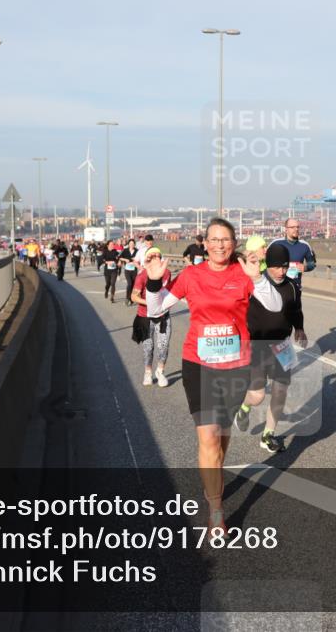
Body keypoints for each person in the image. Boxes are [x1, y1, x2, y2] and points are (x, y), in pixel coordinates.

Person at [143, 218, 281, 531]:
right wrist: (153, 283)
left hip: (236, 365)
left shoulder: (243, 272)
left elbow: (274, 305)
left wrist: (257, 277)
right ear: (204, 244)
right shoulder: (191, 275)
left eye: (226, 239)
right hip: (199, 364)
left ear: (234, 243)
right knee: (208, 436)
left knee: (221, 435)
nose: (220, 245)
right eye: (214, 239)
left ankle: (214, 474)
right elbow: (155, 310)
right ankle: (216, 508)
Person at [235, 243, 307, 453]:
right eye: (276, 267)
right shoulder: (257, 282)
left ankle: (268, 434)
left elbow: (296, 311)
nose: (281, 271)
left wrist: (299, 329)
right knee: (257, 396)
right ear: (267, 265)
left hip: (282, 345)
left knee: (280, 391)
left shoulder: (292, 286)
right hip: (257, 345)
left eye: (284, 266)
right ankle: (244, 407)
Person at [131, 246, 174, 387]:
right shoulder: (142, 276)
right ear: (147, 260)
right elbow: (133, 297)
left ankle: (160, 372)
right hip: (145, 317)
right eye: (152, 256)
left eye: (158, 256)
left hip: (163, 316)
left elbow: (168, 292)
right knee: (148, 348)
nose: (156, 258)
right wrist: (150, 303)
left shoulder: (167, 273)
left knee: (163, 346)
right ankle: (148, 373)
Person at [269, 218, 316, 286]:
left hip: (295, 286)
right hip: (276, 286)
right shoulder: (275, 243)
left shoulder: (305, 245)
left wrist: (305, 267)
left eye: (297, 227)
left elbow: (312, 264)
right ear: (286, 229)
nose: (296, 229)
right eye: (292, 227)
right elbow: (264, 262)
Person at [119, 239, 139, 306]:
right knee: (129, 284)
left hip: (134, 270)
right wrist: (125, 259)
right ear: (128, 244)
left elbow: (139, 259)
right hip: (127, 270)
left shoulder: (137, 251)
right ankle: (127, 298)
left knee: (133, 285)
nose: (131, 245)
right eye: (130, 243)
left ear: (134, 244)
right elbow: (120, 257)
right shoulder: (125, 250)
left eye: (133, 244)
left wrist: (135, 260)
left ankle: (131, 298)